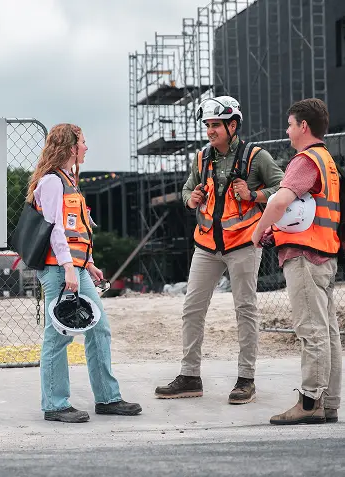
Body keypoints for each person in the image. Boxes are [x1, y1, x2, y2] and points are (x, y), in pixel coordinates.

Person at [154, 96, 284, 404]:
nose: (210, 131)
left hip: (243, 244)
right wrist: (191, 199)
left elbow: (283, 189)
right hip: (207, 245)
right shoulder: (202, 158)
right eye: (208, 125)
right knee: (192, 309)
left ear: (233, 125)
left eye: (215, 125)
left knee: (245, 309)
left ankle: (246, 380)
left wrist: (254, 194)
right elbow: (187, 189)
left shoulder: (257, 157)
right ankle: (189, 376)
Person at [26, 123, 142, 423]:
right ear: (70, 147)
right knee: (59, 335)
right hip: (58, 270)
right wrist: (68, 266)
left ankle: (107, 398)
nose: (87, 148)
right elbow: (53, 229)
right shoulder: (52, 182)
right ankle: (54, 404)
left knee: (98, 327)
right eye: (83, 142)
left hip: (76, 268)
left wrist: (87, 263)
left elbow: (74, 229)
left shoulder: (68, 180)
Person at [252, 98, 342, 425]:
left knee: (311, 330)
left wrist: (260, 230)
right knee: (328, 331)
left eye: (290, 125)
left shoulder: (304, 160)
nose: (287, 131)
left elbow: (280, 202)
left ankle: (309, 403)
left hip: (305, 256)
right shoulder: (327, 160)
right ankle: (328, 402)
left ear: (304, 126)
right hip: (325, 254)